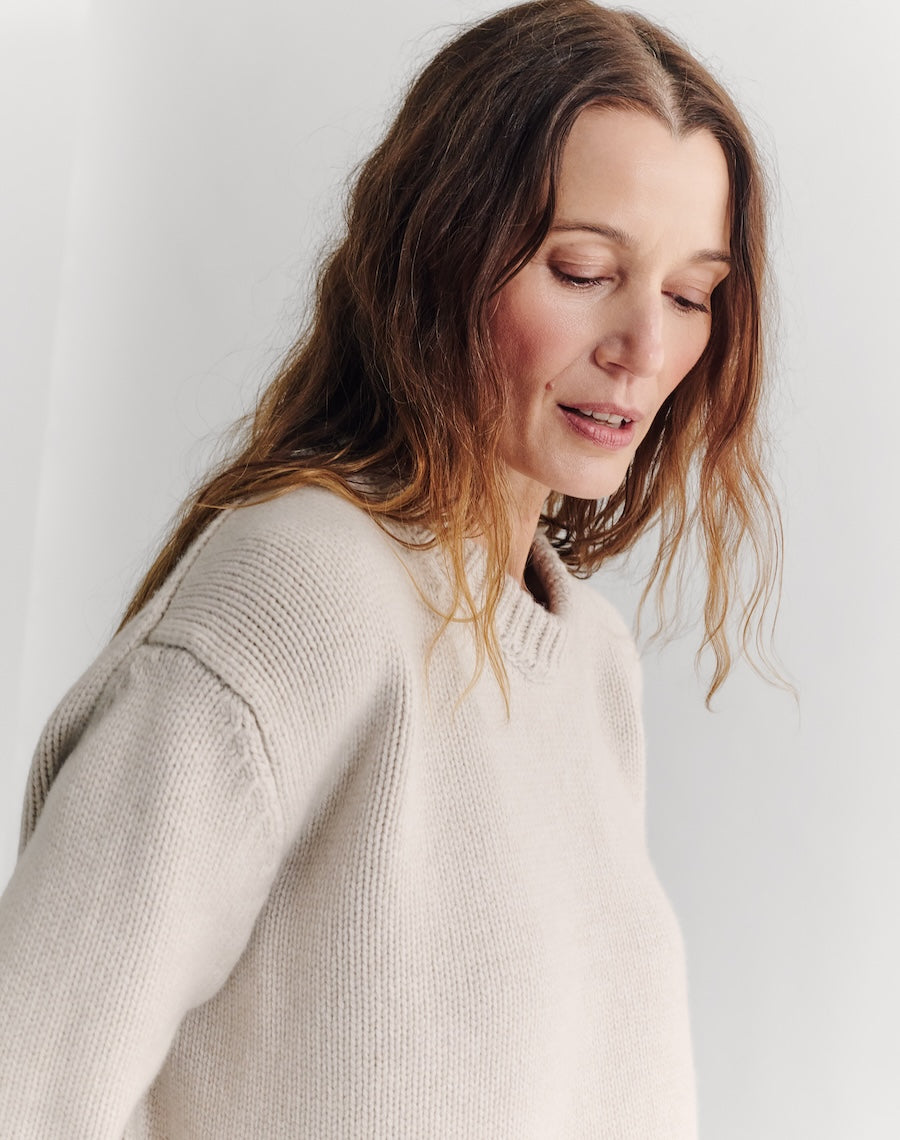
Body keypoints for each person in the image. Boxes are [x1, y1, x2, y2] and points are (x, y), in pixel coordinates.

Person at [0, 1, 783, 1136]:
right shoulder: (300, 594)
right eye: (580, 268)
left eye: (688, 295)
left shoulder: (590, 663)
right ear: (443, 250)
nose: (644, 351)